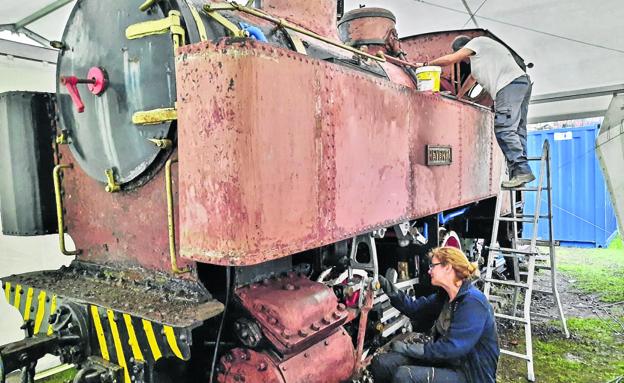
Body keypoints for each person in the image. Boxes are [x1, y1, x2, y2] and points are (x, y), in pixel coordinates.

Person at [370, 246, 499, 383]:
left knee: (404, 376)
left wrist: (409, 349)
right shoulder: (444, 298)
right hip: (446, 361)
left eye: (433, 266)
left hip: (470, 374)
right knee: (382, 363)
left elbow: (451, 348)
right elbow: (414, 308)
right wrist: (390, 290)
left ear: (448, 267)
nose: (429, 270)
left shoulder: (473, 302)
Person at [423, 35, 534, 188]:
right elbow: (471, 79)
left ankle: (521, 171)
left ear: (464, 49)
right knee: (517, 129)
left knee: (504, 128)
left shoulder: (477, 42)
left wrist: (426, 65)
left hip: (509, 86)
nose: (464, 60)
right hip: (521, 83)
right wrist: (458, 97)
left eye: (463, 55)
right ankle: (520, 173)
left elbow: (450, 60)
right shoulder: (483, 58)